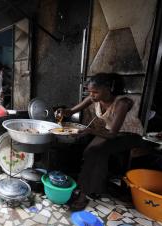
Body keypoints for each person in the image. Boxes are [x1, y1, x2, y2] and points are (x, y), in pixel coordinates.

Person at [56, 73, 144, 210]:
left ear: (108, 89)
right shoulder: (93, 99)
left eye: (95, 92)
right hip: (109, 132)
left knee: (96, 151)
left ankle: (83, 194)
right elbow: (71, 111)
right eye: (90, 91)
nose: (92, 95)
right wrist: (62, 111)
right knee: (90, 152)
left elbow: (112, 134)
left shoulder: (122, 103)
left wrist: (90, 130)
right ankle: (95, 187)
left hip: (130, 135)